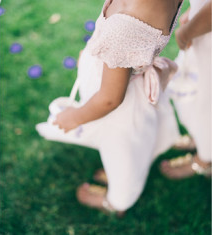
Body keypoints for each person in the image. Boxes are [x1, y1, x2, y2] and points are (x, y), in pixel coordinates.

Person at [48, 0, 183, 214]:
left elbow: (109, 99)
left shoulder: (127, 24)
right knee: (130, 147)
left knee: (122, 155)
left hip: (117, 109)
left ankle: (118, 201)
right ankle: (128, 166)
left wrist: (75, 117)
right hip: (123, 88)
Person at [160, 0, 211, 179]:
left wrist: (185, 33)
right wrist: (195, 11)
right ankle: (200, 137)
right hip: (204, 25)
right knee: (196, 94)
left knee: (207, 103)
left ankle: (205, 160)